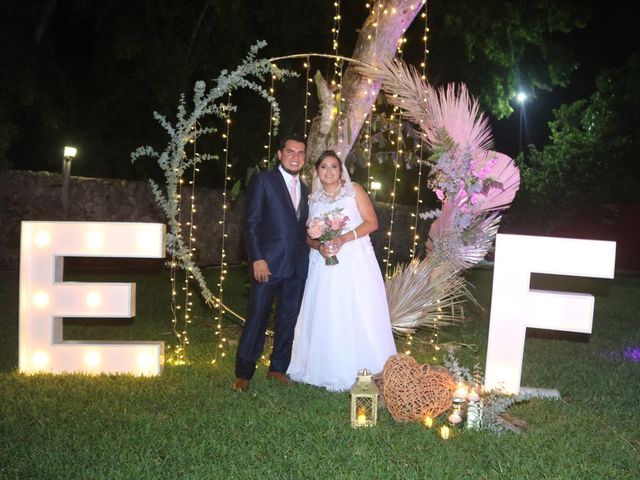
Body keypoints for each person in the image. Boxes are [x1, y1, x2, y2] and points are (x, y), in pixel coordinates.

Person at [287, 150, 397, 392]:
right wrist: (320, 245)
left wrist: (342, 239)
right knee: (326, 310)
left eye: (333, 167)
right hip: (323, 264)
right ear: (317, 171)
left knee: (356, 308)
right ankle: (324, 367)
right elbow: (307, 237)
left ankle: (367, 367)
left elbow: (372, 222)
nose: (329, 171)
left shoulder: (353, 190)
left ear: (341, 170)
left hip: (354, 260)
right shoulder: (313, 199)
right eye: (323, 167)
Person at [233, 134, 309, 392]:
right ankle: (243, 373)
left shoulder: (307, 190)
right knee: (257, 318)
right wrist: (257, 258)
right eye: (290, 151)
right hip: (268, 265)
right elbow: (251, 223)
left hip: (298, 267)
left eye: (300, 153)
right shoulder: (264, 181)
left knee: (288, 319)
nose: (295, 157)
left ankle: (278, 368)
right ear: (279, 154)